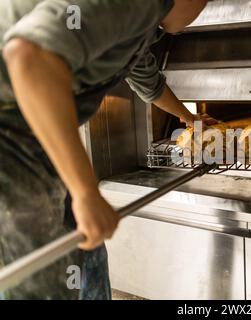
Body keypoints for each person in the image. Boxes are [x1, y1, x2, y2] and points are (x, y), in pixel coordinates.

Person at [0, 0, 209, 299]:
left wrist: (189, 119)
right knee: (41, 279)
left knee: (86, 245)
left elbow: (146, 79)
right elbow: (28, 58)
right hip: (10, 136)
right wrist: (86, 192)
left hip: (29, 131)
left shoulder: (141, 21)